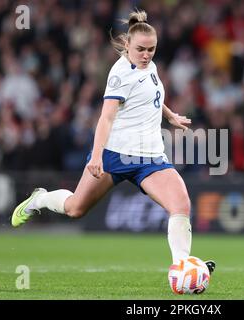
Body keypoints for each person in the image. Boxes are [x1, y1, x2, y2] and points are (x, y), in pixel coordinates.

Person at [11, 10, 215, 275]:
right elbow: (106, 118)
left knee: (181, 204)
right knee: (75, 208)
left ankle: (182, 267)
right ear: (127, 45)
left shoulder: (149, 65)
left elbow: (149, 93)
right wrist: (96, 157)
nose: (146, 54)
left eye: (151, 49)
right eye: (141, 49)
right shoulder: (120, 74)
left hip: (150, 157)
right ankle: (39, 199)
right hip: (114, 155)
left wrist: (169, 114)